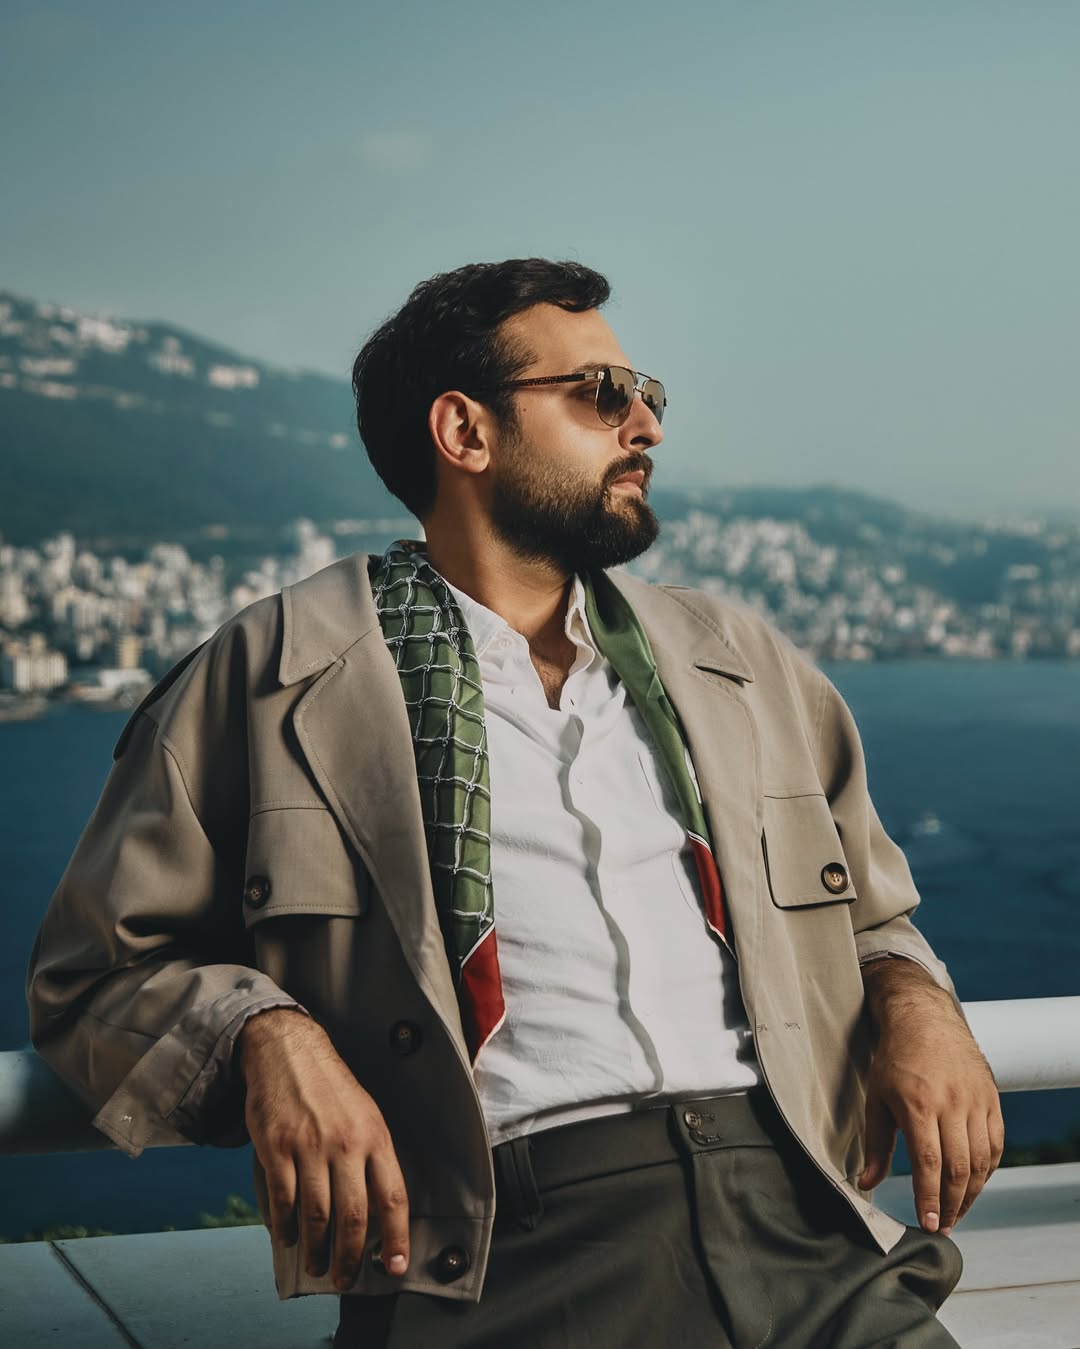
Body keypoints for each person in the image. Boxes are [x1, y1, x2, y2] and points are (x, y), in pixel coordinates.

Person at [28, 258, 1003, 1348]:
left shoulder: (739, 663)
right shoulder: (275, 680)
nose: (646, 426)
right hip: (504, 1263)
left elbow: (872, 919)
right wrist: (266, 1033)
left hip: (811, 1237)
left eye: (647, 394)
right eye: (601, 393)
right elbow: (91, 973)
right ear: (465, 431)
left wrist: (918, 1003)